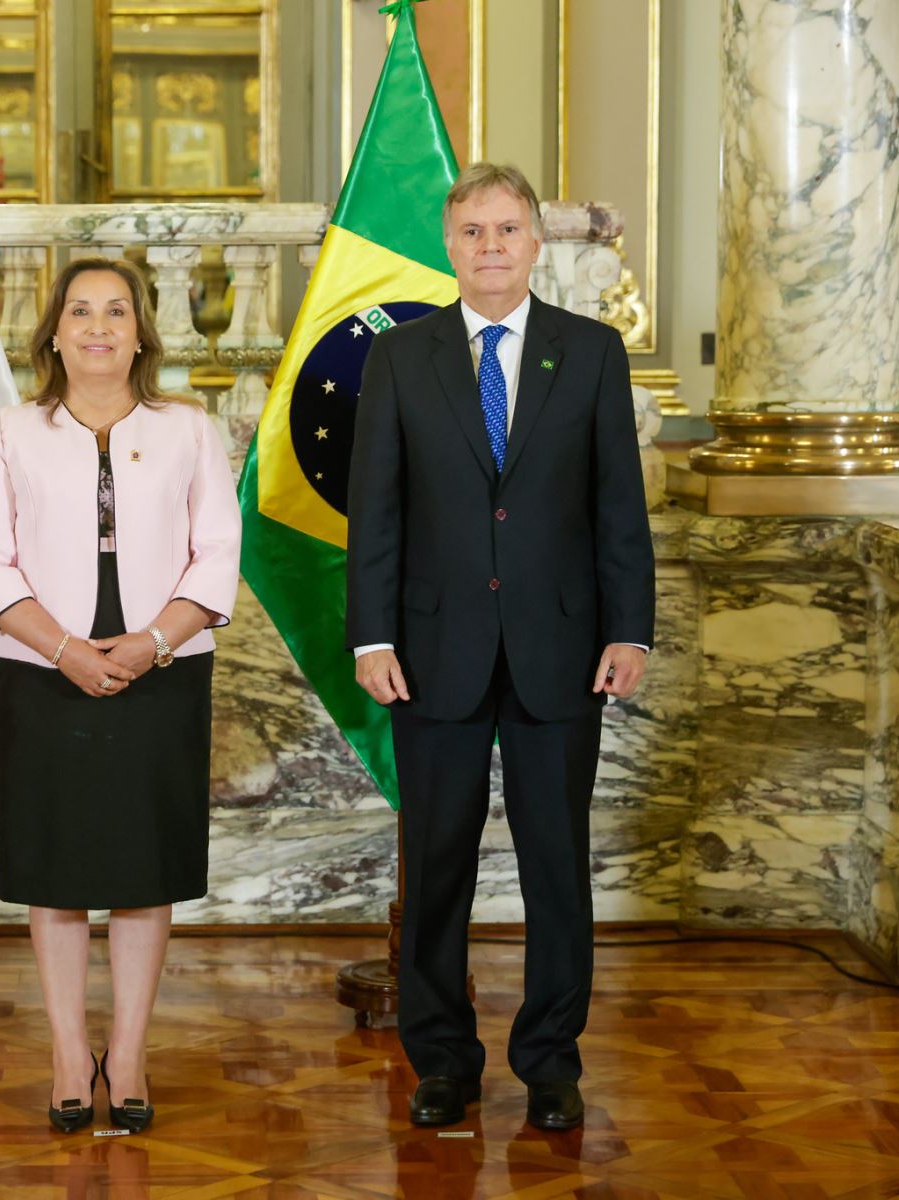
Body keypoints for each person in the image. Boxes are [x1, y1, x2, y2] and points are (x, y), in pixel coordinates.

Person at [346, 163, 654, 1131]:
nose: (490, 246)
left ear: (535, 242)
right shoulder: (401, 356)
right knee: (435, 864)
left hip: (561, 648)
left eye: (507, 229)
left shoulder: (592, 351)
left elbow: (618, 507)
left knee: (555, 865)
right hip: (432, 651)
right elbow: (377, 512)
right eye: (473, 230)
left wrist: (629, 627)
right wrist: (371, 634)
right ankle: (441, 1059)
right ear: (450, 244)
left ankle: (551, 1064)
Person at [0, 257, 242, 1134]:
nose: (97, 326)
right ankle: (64, 1052)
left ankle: (126, 1054)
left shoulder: (190, 430)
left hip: (161, 668)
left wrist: (155, 641)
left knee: (142, 870)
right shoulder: (11, 432)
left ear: (140, 332)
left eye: (116, 311)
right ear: (52, 333)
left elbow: (218, 554)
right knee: (59, 873)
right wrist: (66, 650)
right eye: (79, 310)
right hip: (45, 672)